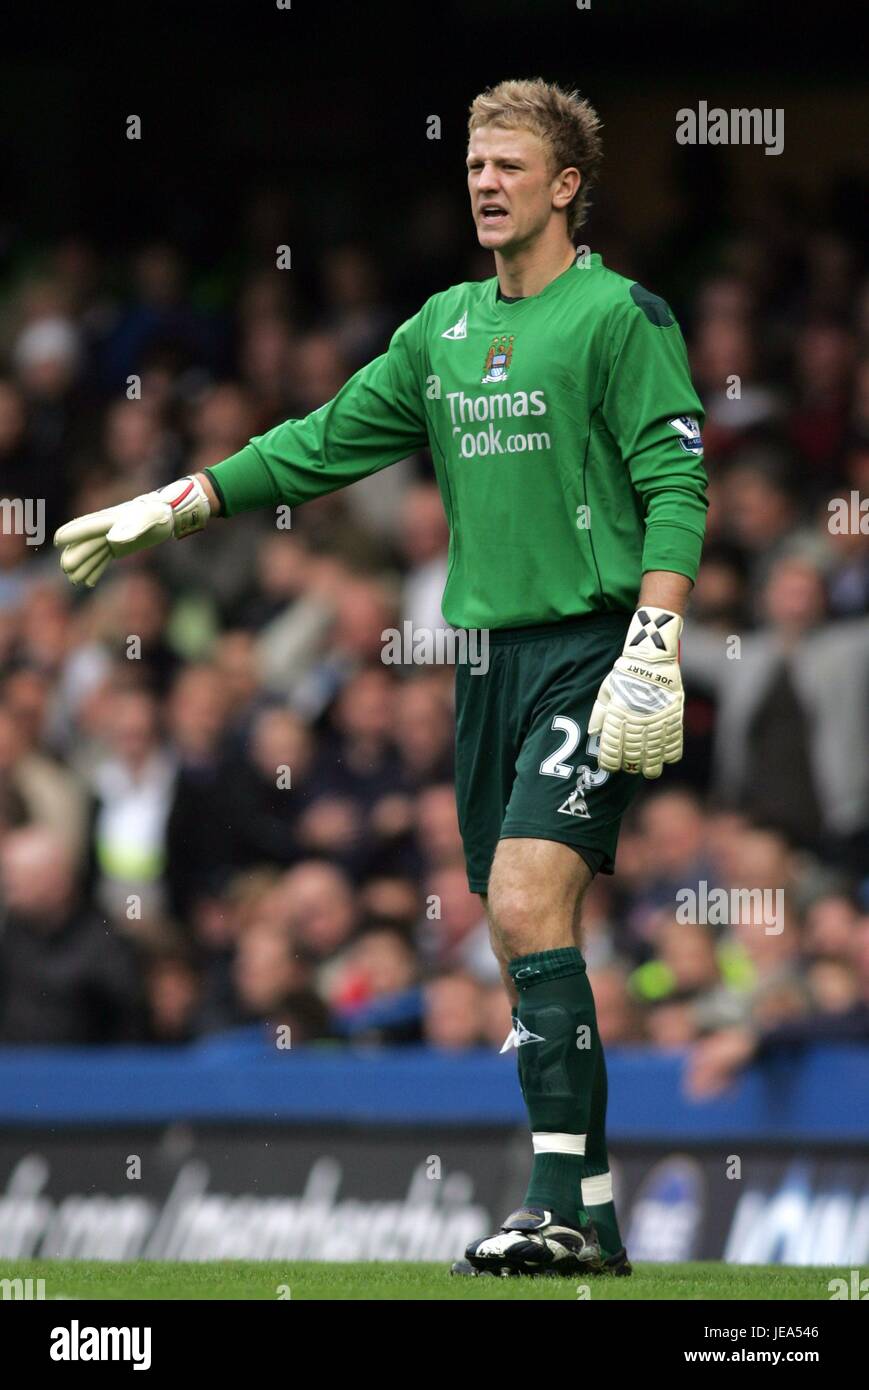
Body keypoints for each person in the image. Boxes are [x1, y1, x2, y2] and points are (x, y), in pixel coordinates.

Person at [53, 79, 707, 1278]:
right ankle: (594, 1218)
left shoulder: (621, 316)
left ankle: (551, 1200)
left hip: (591, 646)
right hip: (486, 666)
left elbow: (676, 485)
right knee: (523, 934)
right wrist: (172, 505)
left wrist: (655, 640)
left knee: (520, 902)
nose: (484, 181)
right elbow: (316, 443)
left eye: (509, 164)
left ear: (566, 185)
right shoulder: (439, 331)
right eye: (472, 164)